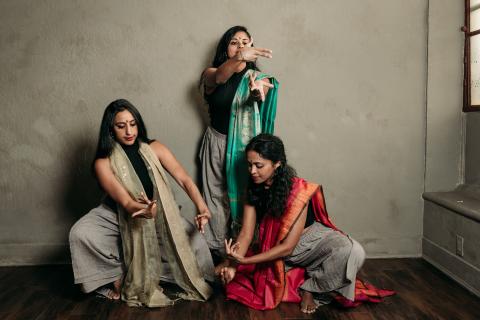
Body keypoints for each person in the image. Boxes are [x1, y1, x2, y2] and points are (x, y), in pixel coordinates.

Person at [218, 134, 394, 313]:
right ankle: (303, 274)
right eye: (249, 165)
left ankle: (310, 288)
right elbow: (246, 234)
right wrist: (233, 265)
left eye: (259, 165)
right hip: (275, 244)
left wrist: (246, 260)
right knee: (239, 277)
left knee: (355, 251)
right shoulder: (253, 189)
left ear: (277, 163)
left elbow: (288, 247)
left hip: (312, 240)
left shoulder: (297, 192)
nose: (252, 171)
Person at [69, 99, 213, 307]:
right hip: (114, 214)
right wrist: (144, 210)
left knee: (194, 244)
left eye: (133, 123)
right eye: (121, 126)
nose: (129, 131)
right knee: (80, 234)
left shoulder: (154, 147)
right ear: (110, 129)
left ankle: (146, 274)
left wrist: (202, 208)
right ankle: (117, 277)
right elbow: (127, 203)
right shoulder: (103, 162)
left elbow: (185, 180)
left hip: (157, 213)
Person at [199, 26, 279, 260]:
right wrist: (240, 57)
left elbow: (260, 94)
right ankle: (215, 252)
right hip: (216, 141)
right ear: (226, 48)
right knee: (214, 198)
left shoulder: (258, 78)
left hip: (245, 149)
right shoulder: (211, 73)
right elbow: (220, 77)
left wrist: (256, 94)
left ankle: (238, 254)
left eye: (246, 42)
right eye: (235, 42)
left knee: (245, 198)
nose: (241, 46)